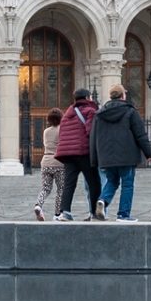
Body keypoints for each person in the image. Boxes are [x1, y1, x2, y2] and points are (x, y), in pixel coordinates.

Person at [91, 84, 151, 222]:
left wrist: (95, 158)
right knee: (127, 184)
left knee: (112, 181)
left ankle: (103, 200)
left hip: (107, 156)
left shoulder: (100, 114)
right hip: (126, 155)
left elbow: (94, 137)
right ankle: (123, 214)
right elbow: (140, 134)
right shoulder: (130, 111)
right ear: (122, 96)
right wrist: (149, 154)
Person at [54, 88, 101, 222]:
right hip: (83, 152)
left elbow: (62, 133)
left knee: (69, 183)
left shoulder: (67, 114)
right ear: (87, 97)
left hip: (67, 154)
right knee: (94, 183)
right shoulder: (90, 111)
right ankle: (94, 213)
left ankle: (65, 212)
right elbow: (90, 131)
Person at [34, 109, 64, 221]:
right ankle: (57, 214)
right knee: (61, 189)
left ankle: (38, 205)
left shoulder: (46, 131)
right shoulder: (62, 130)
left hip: (46, 161)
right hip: (59, 163)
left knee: (46, 188)